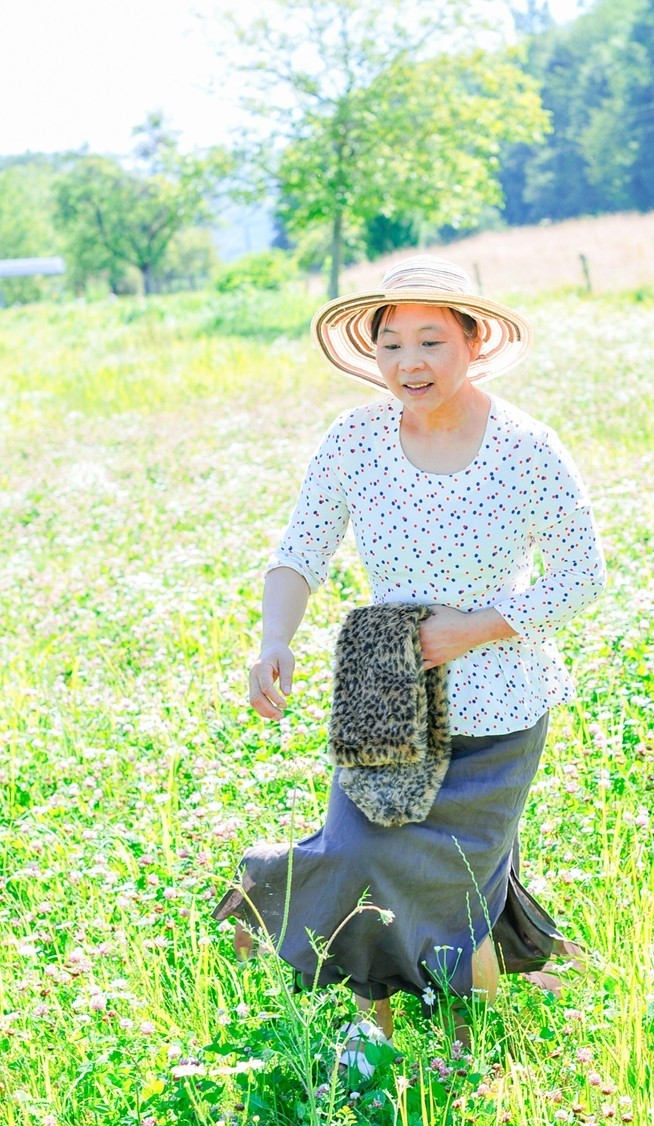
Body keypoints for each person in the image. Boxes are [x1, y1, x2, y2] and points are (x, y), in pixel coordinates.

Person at [212, 256, 606, 1068]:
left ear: (474, 341)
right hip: (382, 679)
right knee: (361, 858)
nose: (409, 363)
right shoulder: (354, 438)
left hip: (497, 699)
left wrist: (476, 628)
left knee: (460, 882)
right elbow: (300, 550)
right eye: (390, 344)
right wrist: (274, 638)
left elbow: (582, 576)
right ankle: (374, 1031)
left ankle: (466, 1046)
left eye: (430, 340)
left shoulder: (526, 447)